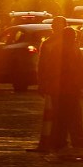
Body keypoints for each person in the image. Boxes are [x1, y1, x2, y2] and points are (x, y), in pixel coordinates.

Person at [28, 15, 67, 152]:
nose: (57, 28)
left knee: (61, 114)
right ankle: (54, 140)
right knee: (53, 113)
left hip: (63, 83)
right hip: (53, 82)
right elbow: (42, 64)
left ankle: (59, 140)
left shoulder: (67, 42)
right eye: (55, 25)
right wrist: (41, 82)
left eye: (59, 26)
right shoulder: (48, 43)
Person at [51, 26, 83, 150]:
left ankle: (63, 139)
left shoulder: (60, 48)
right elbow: (78, 67)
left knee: (64, 115)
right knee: (71, 115)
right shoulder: (70, 49)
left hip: (66, 87)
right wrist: (81, 81)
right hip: (68, 87)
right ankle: (73, 139)